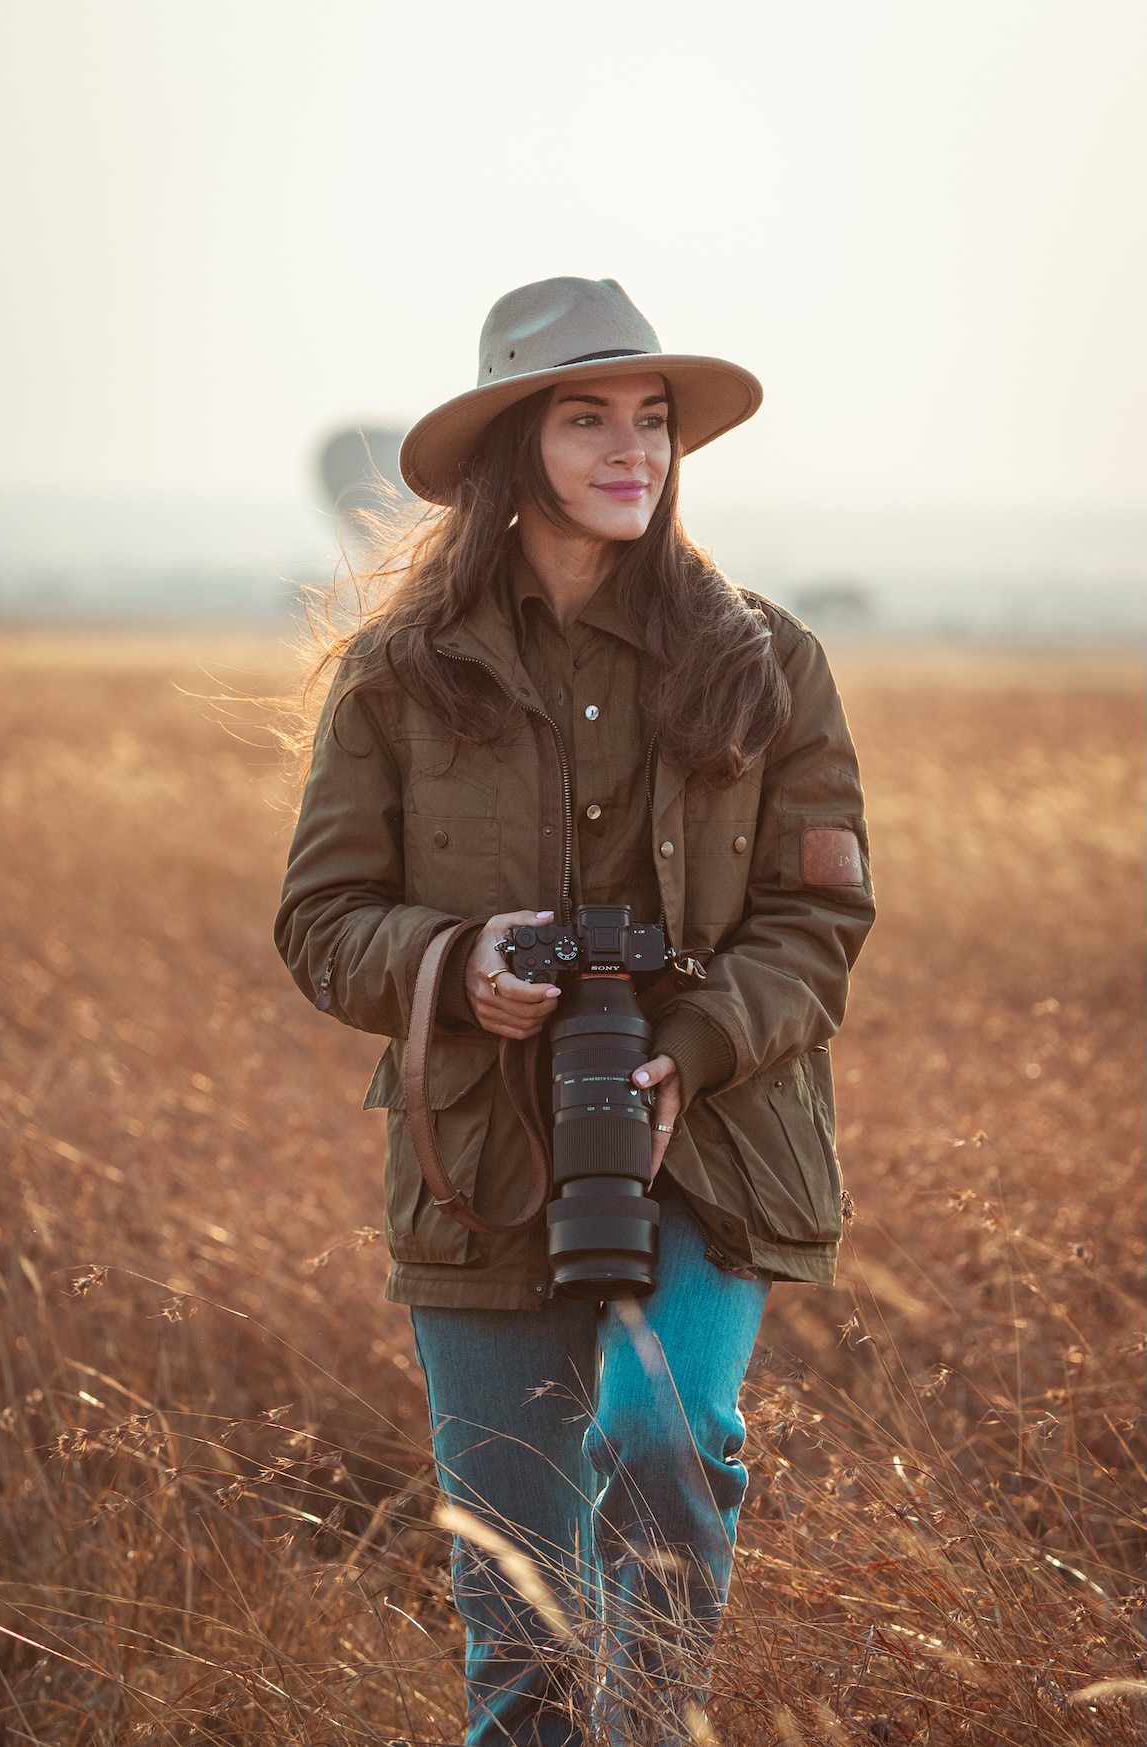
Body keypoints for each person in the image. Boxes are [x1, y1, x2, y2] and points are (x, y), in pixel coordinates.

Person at [276, 276, 875, 1746]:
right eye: (587, 418)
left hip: (712, 1136)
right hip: (482, 1157)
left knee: (665, 1436)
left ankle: (657, 1730)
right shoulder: (401, 678)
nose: (633, 451)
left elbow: (822, 918)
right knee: (523, 1622)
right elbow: (320, 919)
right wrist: (454, 963)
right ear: (509, 450)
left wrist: (688, 1046)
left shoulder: (768, 659)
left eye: (653, 421)